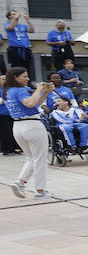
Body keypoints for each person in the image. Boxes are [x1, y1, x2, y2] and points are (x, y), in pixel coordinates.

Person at [5, 68, 53, 198]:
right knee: (40, 159)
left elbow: (32, 104)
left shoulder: (9, 91)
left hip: (18, 126)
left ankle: (20, 182)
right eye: (24, 77)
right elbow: (31, 104)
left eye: (27, 76)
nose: (27, 79)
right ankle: (40, 190)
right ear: (15, 77)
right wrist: (38, 89)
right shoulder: (21, 90)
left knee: (32, 158)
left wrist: (44, 94)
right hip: (32, 126)